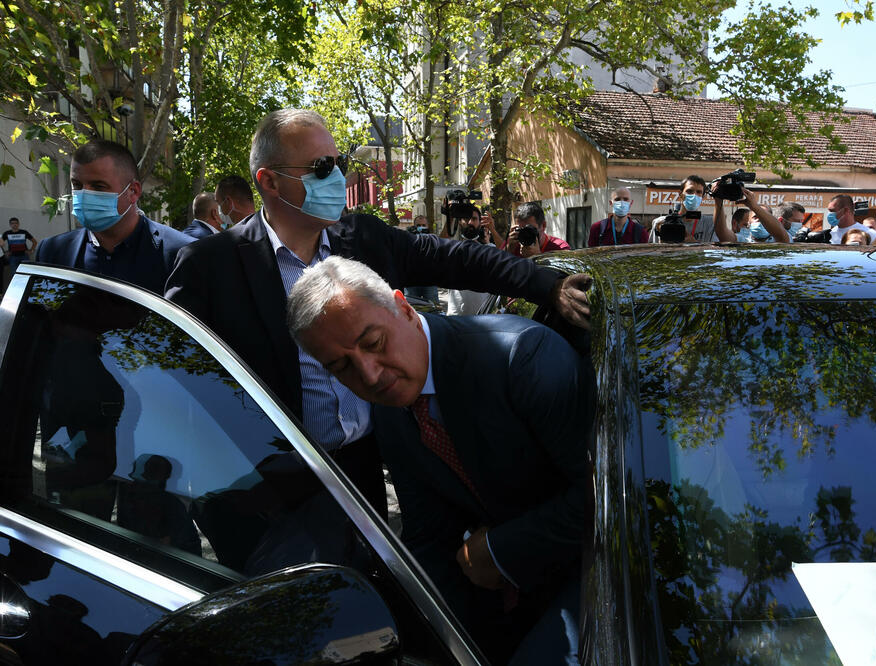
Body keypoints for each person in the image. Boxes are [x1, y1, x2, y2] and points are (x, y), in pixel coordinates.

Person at [164, 109, 591, 518]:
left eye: (339, 164)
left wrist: (546, 286)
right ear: (270, 181)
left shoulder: (363, 239)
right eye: (321, 167)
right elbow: (174, 384)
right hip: (265, 487)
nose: (336, 177)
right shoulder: (210, 266)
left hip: (362, 470)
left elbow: (457, 259)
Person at [287, 256, 594, 665]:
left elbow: (604, 497)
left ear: (404, 308)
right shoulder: (388, 410)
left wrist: (499, 551)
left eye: (374, 343)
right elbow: (428, 532)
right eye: (341, 367)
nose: (370, 375)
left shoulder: (522, 357)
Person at [36, 140, 192, 293]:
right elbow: (41, 308)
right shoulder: (52, 252)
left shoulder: (181, 254)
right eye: (77, 185)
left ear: (133, 191)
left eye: (98, 186)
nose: (84, 195)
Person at [712, 186, 788, 243]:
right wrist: (718, 200)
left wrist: (754, 206)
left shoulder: (778, 240)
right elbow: (723, 234)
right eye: (755, 217)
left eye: (763, 218)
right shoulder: (743, 239)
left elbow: (781, 235)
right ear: (749, 223)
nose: (759, 220)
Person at [505, 202, 570, 257]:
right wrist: (508, 250)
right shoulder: (513, 243)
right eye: (520, 230)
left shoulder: (560, 249)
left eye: (529, 229)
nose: (525, 234)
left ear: (543, 225)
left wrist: (537, 256)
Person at [653, 175, 706, 242]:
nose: (694, 195)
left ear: (703, 197)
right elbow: (650, 247)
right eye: (689, 191)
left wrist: (694, 244)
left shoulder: (709, 224)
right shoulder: (660, 223)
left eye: (699, 192)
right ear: (680, 194)